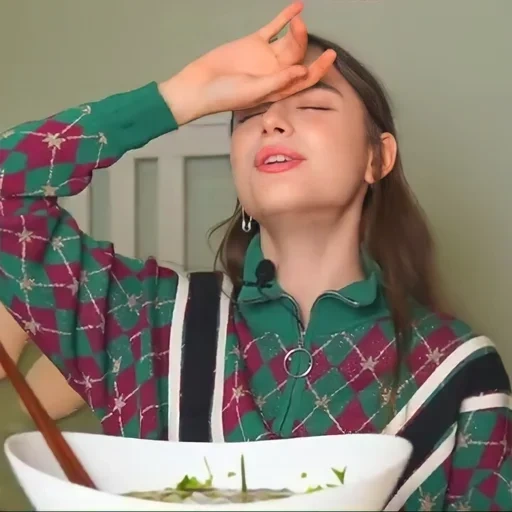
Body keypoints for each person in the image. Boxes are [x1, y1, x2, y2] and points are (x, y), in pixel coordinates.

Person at [0, 2, 510, 510]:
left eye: (312, 105)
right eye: (248, 114)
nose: (273, 124)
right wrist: (185, 94)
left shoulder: (458, 370)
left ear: (377, 158)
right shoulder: (145, 325)